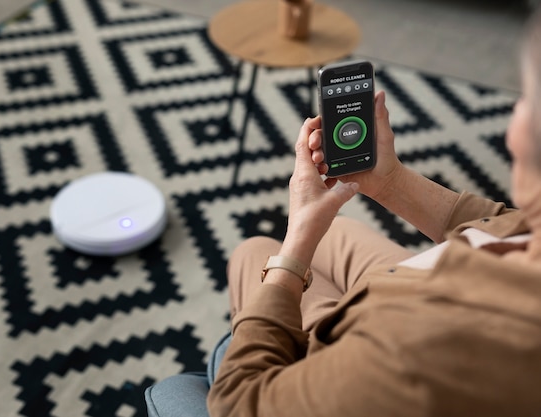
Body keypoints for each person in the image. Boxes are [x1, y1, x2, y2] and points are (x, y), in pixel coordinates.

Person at [205, 8, 541, 417]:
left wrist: (295, 247)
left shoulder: (410, 355)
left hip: (375, 342)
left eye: (524, 99)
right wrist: (389, 182)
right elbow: (506, 225)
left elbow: (240, 403)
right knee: (336, 231)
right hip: (430, 285)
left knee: (254, 252)